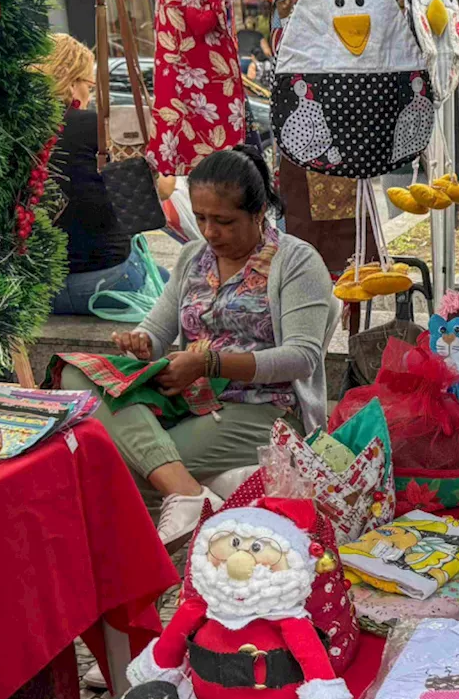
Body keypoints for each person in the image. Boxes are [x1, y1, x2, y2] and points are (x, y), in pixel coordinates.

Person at [56, 145, 338, 544]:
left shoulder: (295, 262)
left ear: (258, 214)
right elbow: (157, 331)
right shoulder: (193, 257)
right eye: (202, 218)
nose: (209, 232)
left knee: (120, 467)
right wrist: (140, 344)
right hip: (188, 399)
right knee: (76, 372)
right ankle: (188, 494)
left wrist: (209, 364)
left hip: (262, 410)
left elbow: (302, 358)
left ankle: (170, 509)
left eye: (224, 221)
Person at [32, 34, 161, 315]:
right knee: (173, 283)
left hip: (38, 291)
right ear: (71, 83)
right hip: (107, 283)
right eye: (89, 85)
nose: (90, 95)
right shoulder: (97, 128)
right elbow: (155, 192)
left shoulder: (15, 130)